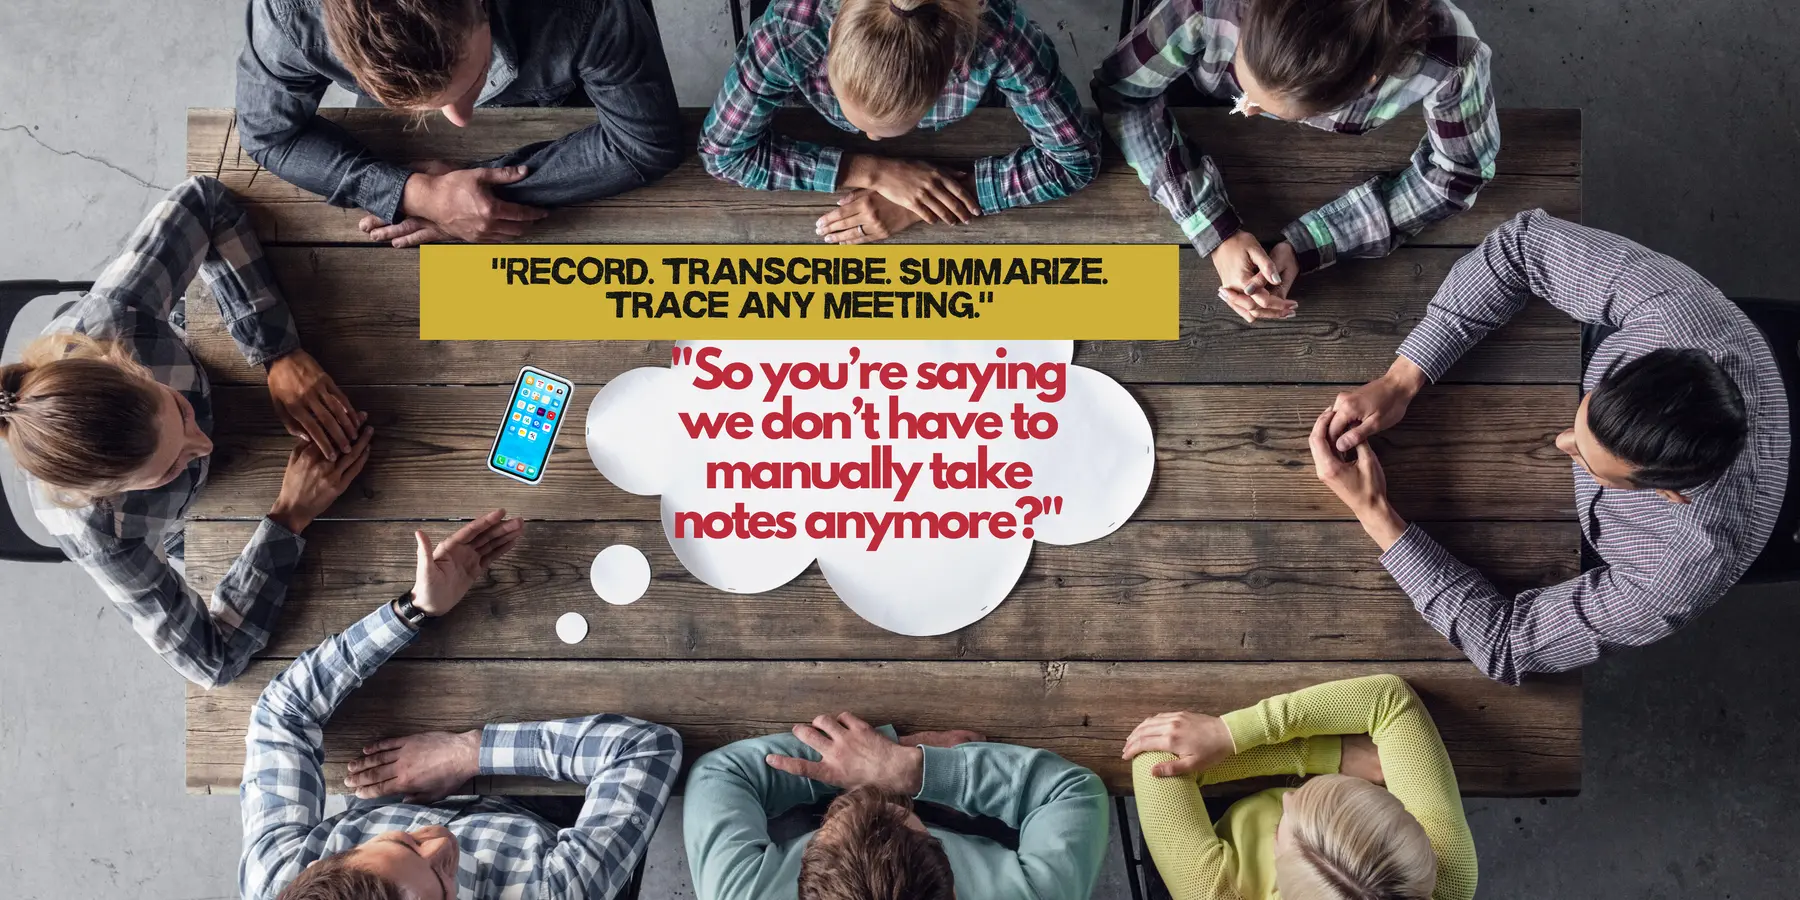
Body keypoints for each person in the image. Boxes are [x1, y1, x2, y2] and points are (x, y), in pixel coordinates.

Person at [1311, 210, 1789, 684]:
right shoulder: (1679, 317)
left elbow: (1505, 645)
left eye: (1590, 461)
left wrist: (1374, 512)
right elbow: (1521, 245)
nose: (1560, 443)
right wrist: (1402, 377)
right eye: (1584, 421)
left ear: (1668, 494)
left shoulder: (1677, 571)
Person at [0, 176, 372, 689]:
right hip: (188, 525)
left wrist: (277, 351)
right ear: (109, 494)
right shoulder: (101, 536)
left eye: (178, 410)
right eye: (170, 468)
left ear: (126, 365)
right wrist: (289, 518)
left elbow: (204, 200)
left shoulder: (114, 319)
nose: (205, 446)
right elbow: (213, 662)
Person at [238, 509, 684, 900]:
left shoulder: (280, 877)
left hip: (412, 773)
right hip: (551, 818)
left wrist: (411, 610)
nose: (442, 843)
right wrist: (469, 752)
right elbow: (644, 748)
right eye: (442, 879)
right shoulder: (554, 890)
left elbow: (283, 712)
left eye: (405, 844)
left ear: (327, 862)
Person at [1093, 0, 1498, 324]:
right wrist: (1212, 227)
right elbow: (1122, 94)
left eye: (1283, 114)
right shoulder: (1203, 6)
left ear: (1368, 83)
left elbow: (1457, 174)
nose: (1245, 112)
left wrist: (1315, 242)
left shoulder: (1450, 57)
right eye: (1241, 83)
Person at [236, 0, 683, 247]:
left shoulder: (587, 9)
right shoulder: (288, 15)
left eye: (474, 82)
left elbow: (646, 142)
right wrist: (415, 194)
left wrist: (478, 200)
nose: (460, 121)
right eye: (433, 106)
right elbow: (268, 134)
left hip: (569, 67)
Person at [699, 0, 1100, 245]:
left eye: (894, 129)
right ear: (832, 33)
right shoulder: (790, 30)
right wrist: (870, 170)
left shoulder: (1000, 39)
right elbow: (722, 153)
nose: (869, 138)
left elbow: (1074, 160)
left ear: (950, 75)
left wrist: (922, 203)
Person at [683, 711, 1110, 900]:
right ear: (954, 888)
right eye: (900, 813)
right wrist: (909, 769)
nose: (875, 794)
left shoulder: (738, 892)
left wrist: (881, 753)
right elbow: (1072, 793)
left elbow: (720, 775)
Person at [1125, 674, 1476, 900]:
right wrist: (1225, 735)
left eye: (1281, 829)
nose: (1289, 796)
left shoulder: (1215, 891)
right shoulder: (1449, 875)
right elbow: (1390, 699)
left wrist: (1327, 756)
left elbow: (1157, 755)